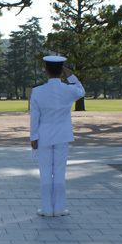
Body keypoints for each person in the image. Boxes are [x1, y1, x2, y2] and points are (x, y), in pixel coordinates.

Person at [29, 55, 85, 217]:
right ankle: (59, 207)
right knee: (60, 171)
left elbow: (35, 116)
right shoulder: (69, 89)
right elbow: (81, 91)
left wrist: (33, 137)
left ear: (46, 71)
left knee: (45, 171)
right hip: (62, 134)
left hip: (44, 135)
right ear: (61, 71)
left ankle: (47, 209)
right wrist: (71, 76)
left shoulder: (38, 91)